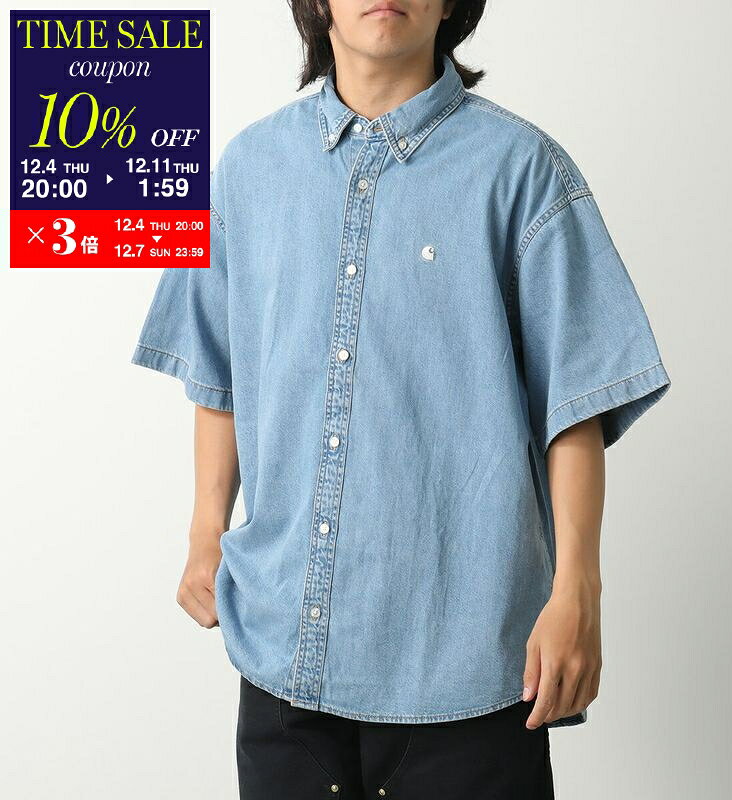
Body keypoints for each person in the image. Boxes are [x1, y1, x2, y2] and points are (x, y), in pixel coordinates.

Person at [131, 1, 671, 797]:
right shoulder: (247, 170)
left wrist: (578, 591)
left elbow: (576, 405)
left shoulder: (522, 170)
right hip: (286, 658)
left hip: (470, 666)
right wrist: (205, 530)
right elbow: (221, 372)